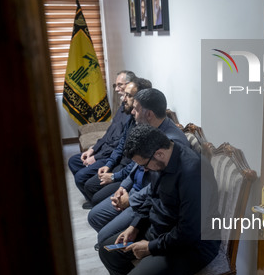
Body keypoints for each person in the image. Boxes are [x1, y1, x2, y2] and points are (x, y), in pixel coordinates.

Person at [99, 125, 220, 275]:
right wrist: (134, 227)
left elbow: (189, 232)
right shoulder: (159, 163)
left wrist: (151, 247)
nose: (144, 170)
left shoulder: (193, 172)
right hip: (163, 231)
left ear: (159, 153)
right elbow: (151, 198)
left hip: (193, 246)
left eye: (144, 165)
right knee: (107, 251)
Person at [88, 88, 190, 246]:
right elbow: (137, 165)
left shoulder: (172, 142)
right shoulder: (148, 131)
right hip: (133, 190)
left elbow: (162, 187)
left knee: (103, 238)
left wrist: (131, 200)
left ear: (149, 114)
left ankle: (115, 251)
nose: (132, 112)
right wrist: (123, 186)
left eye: (136, 109)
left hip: (145, 200)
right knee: (94, 216)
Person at [67, 70, 136, 207]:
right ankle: (92, 198)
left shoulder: (132, 113)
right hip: (103, 151)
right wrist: (93, 149)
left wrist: (97, 158)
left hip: (109, 155)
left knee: (82, 177)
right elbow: (109, 133)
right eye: (115, 86)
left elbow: (119, 145)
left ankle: (95, 201)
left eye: (119, 85)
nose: (116, 90)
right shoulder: (123, 107)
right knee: (73, 161)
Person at [82, 78, 152, 205]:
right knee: (89, 185)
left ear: (140, 99)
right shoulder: (131, 118)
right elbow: (120, 145)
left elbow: (137, 164)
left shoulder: (147, 126)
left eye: (129, 95)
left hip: (128, 172)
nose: (123, 99)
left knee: (96, 197)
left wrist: (114, 177)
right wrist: (108, 165)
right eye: (125, 94)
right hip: (120, 165)